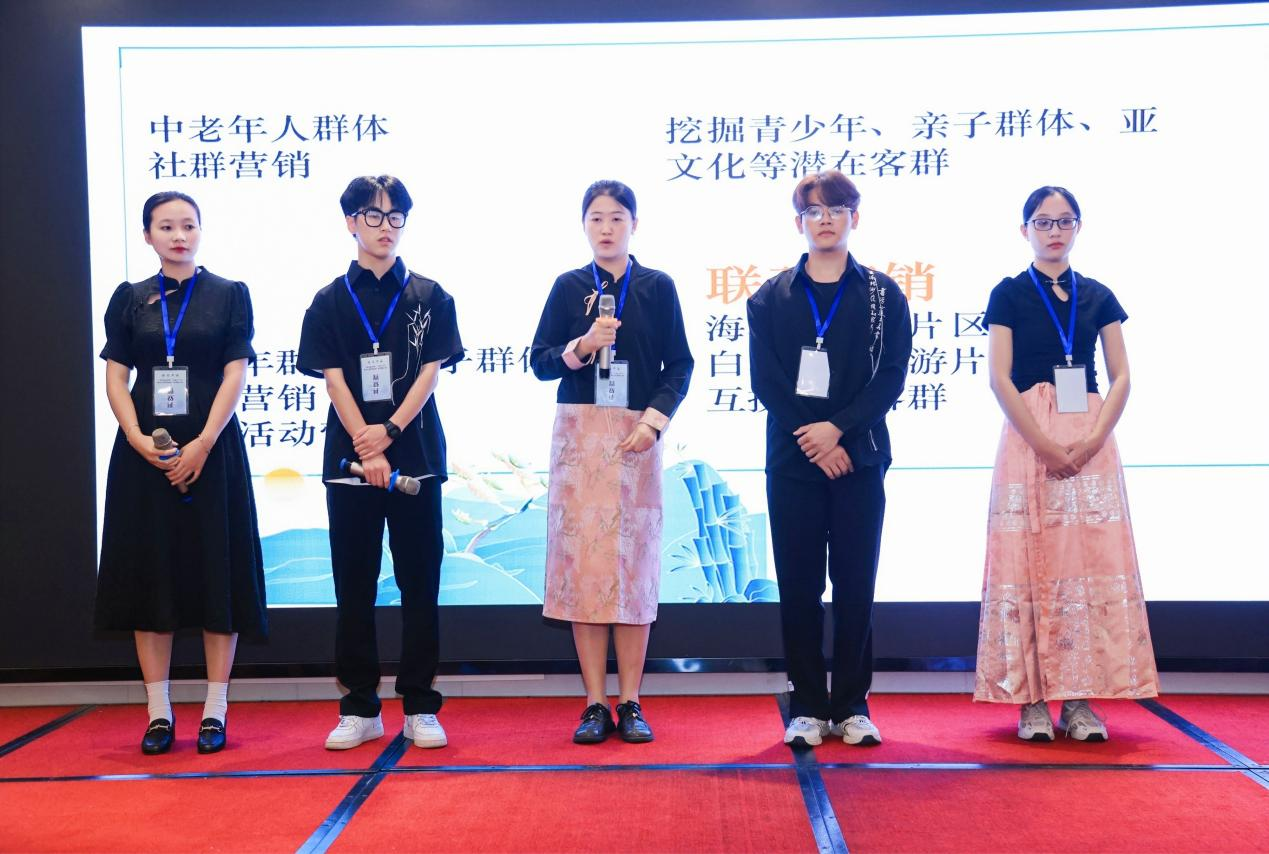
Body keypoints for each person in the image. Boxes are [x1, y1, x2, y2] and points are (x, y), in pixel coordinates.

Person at [975, 186, 1159, 742]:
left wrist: (1096, 437)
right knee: (1027, 560)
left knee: (1086, 563)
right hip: (1029, 434)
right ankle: (1031, 701)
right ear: (1024, 230)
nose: (1054, 231)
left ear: (1078, 227)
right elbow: (999, 378)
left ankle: (1079, 700)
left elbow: (1122, 376)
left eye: (1064, 221)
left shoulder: (1098, 295)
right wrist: (1043, 445)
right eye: (1042, 221)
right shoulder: (1008, 293)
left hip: (1089, 435)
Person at [95, 191, 266, 755]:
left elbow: (235, 373)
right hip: (145, 456)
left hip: (213, 450)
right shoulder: (130, 298)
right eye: (166, 226)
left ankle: (215, 710)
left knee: (218, 573)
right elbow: (116, 378)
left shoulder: (229, 294)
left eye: (188, 225)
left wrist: (204, 443)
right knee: (152, 577)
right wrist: (137, 438)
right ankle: (159, 713)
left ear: (200, 231)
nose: (179, 236)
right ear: (148, 235)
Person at [297, 175, 464, 751]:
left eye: (396, 216)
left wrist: (388, 433)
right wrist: (365, 445)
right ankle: (360, 707)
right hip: (348, 461)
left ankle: (419, 705)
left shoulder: (430, 295)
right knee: (354, 587)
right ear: (351, 222)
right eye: (373, 215)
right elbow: (333, 379)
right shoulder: (328, 301)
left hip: (416, 457)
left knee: (421, 585)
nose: (386, 226)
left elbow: (430, 375)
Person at [748, 170, 912, 749]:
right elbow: (766, 381)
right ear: (799, 222)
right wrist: (813, 439)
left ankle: (852, 706)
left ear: (854, 218)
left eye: (836, 209)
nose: (825, 219)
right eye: (813, 211)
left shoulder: (883, 294)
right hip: (793, 462)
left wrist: (838, 431)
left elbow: (891, 375)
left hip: (859, 458)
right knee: (798, 586)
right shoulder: (770, 297)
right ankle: (807, 706)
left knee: (855, 584)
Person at [530, 180, 693, 744]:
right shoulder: (568, 286)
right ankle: (594, 704)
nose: (606, 228)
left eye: (617, 217)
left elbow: (680, 364)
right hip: (580, 441)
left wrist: (653, 421)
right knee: (585, 571)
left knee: (633, 571)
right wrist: (582, 345)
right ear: (584, 225)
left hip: (636, 438)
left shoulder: (657, 286)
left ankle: (631, 701)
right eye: (596, 218)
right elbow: (540, 362)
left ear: (634, 225)